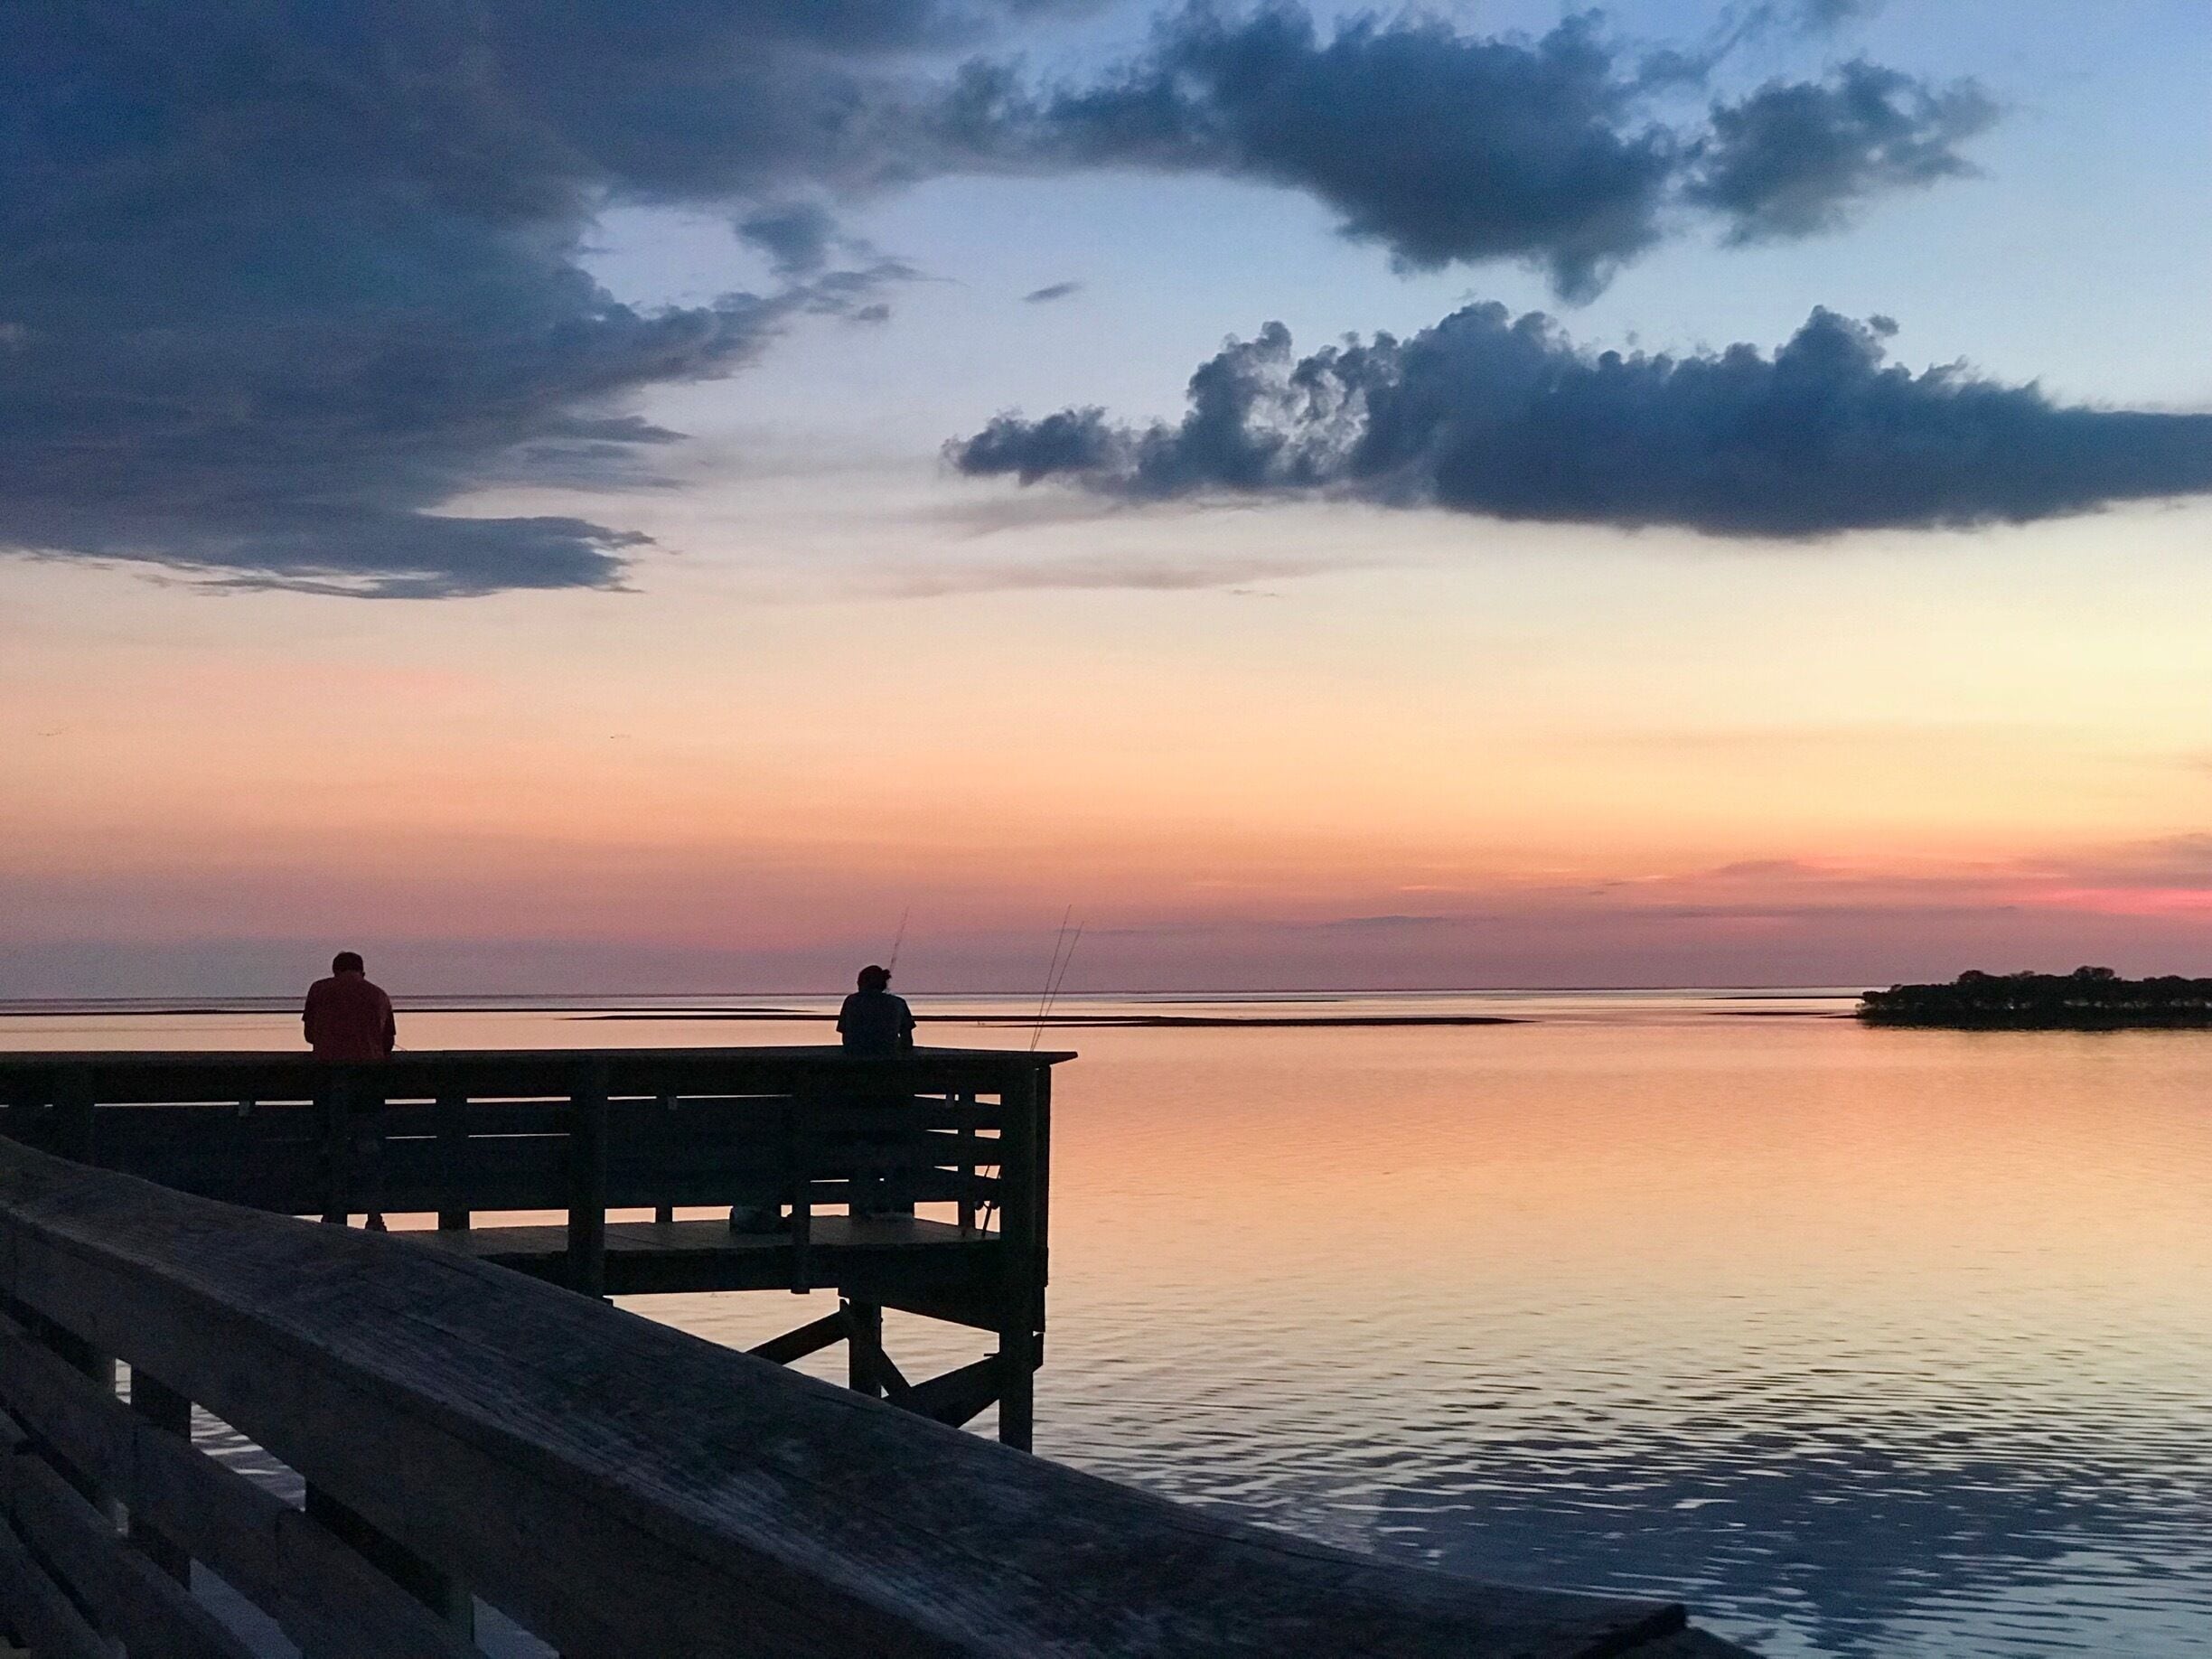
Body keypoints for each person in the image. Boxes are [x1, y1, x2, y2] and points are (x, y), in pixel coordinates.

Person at [304, 951, 395, 1230]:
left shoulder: (319, 990)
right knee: (369, 1146)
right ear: (362, 972)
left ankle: (332, 1214)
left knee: (329, 1145)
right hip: (368, 1083)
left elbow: (309, 1035)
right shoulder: (379, 995)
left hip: (327, 1083)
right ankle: (374, 1216)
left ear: (335, 971)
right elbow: (387, 1043)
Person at [838, 963, 915, 1056]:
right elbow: (907, 1040)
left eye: (859, 981)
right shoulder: (898, 1003)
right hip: (889, 1056)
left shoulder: (851, 1002)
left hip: (856, 1055)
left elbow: (845, 1035)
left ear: (863, 982)